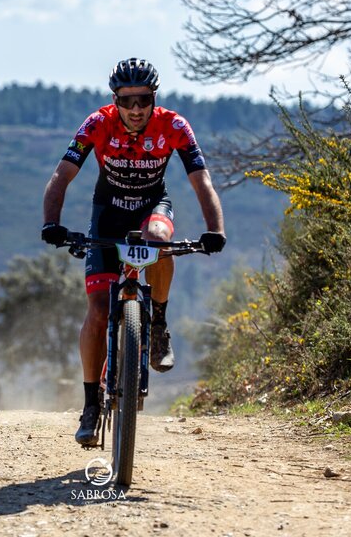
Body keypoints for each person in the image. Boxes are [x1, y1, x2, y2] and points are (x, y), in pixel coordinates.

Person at [42, 57, 226, 446]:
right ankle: (90, 405)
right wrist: (51, 223)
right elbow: (62, 175)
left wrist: (215, 230)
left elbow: (202, 181)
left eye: (144, 100)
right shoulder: (97, 124)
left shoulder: (174, 126)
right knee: (97, 311)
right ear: (116, 101)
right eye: (128, 101)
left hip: (152, 207)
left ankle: (157, 324)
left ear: (154, 98)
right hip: (107, 215)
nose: (137, 109)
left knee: (160, 240)